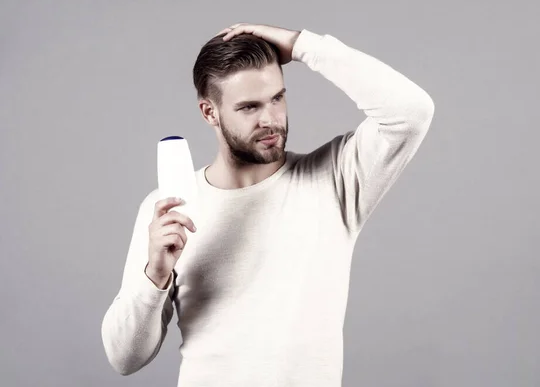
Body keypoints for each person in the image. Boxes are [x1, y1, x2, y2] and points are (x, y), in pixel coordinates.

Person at [101, 22, 435, 386]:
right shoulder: (170, 208)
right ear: (209, 112)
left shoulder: (334, 179)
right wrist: (156, 275)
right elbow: (124, 358)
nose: (270, 120)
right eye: (249, 107)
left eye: (277, 98)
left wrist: (303, 46)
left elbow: (412, 111)